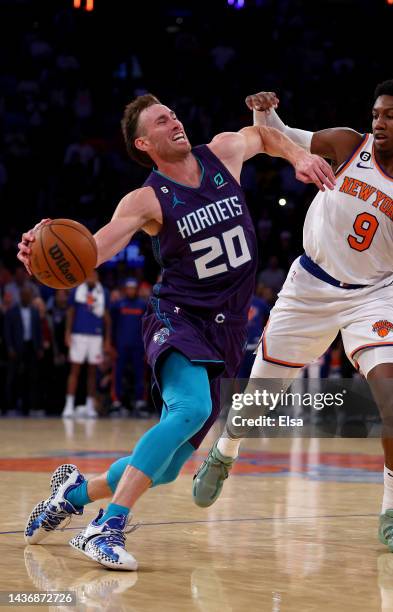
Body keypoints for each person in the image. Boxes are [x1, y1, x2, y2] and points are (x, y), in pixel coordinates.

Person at [18, 93, 335, 570]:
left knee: (164, 469)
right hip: (178, 318)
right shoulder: (145, 199)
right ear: (144, 142)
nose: (174, 122)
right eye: (161, 121)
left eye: (173, 114)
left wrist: (299, 154)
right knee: (192, 408)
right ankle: (106, 525)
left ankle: (73, 493)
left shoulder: (222, 152)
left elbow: (265, 135)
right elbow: (94, 249)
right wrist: (48, 249)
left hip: (225, 331)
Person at [192, 81, 393, 554]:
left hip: (371, 297)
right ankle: (224, 452)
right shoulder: (346, 143)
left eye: (391, 115)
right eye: (376, 113)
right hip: (309, 287)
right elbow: (283, 137)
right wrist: (264, 111)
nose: (379, 122)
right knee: (259, 401)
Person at [62, 270, 111, 418]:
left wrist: (107, 339)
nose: (91, 277)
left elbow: (107, 318)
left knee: (92, 372)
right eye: (89, 275)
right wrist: (67, 332)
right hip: (78, 334)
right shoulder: (77, 290)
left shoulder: (104, 292)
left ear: (98, 277)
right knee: (74, 371)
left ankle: (90, 406)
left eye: (94, 275)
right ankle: (68, 405)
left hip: (96, 336)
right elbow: (70, 312)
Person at [110, 278, 147, 417]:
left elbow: (147, 326)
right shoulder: (118, 305)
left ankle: (140, 402)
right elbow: (111, 324)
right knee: (118, 374)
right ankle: (116, 403)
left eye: (133, 288)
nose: (131, 290)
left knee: (140, 374)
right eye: (128, 288)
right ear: (125, 289)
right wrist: (111, 344)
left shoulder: (143, 305)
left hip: (138, 346)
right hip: (121, 346)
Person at [4, 287, 42, 415]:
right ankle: (10, 407)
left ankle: (30, 407)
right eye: (24, 295)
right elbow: (7, 332)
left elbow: (38, 331)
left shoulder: (35, 311)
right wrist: (10, 348)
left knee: (32, 378)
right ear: (20, 296)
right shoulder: (12, 312)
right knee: (13, 377)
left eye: (28, 295)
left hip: (31, 346)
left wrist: (39, 347)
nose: (26, 297)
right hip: (16, 347)